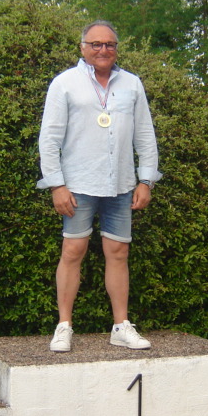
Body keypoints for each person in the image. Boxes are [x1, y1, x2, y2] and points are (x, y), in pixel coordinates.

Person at [37, 20, 162, 352]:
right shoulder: (65, 83)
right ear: (83, 48)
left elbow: (145, 135)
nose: (103, 50)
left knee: (119, 252)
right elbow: (49, 139)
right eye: (96, 44)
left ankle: (120, 326)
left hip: (121, 184)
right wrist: (56, 185)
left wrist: (146, 180)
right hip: (78, 183)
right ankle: (64, 326)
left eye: (109, 44)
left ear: (116, 49)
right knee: (72, 251)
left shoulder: (132, 84)